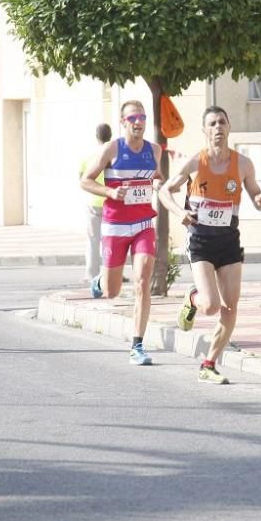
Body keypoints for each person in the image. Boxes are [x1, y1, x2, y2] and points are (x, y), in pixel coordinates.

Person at [159, 105, 261, 384]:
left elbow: (254, 190)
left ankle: (209, 364)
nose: (218, 127)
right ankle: (193, 298)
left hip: (229, 241)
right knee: (210, 306)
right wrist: (179, 212)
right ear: (205, 131)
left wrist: (258, 199)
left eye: (222, 122)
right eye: (212, 124)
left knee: (230, 307)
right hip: (201, 241)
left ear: (229, 127)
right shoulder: (196, 163)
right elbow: (164, 191)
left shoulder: (243, 164)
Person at [81, 101, 164, 365]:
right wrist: (109, 191)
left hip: (142, 224)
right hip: (115, 225)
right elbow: (85, 180)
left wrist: (161, 184)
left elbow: (157, 177)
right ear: (123, 122)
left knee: (142, 281)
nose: (138, 122)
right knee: (112, 292)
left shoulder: (155, 150)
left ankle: (137, 346)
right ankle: (100, 281)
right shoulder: (112, 148)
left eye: (142, 117)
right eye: (132, 118)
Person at [80, 122, 112, 283]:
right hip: (111, 201)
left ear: (96, 136)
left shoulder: (88, 155)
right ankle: (112, 270)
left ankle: (92, 273)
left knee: (93, 239)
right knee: (111, 239)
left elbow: (82, 178)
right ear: (110, 135)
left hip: (93, 201)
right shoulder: (113, 154)